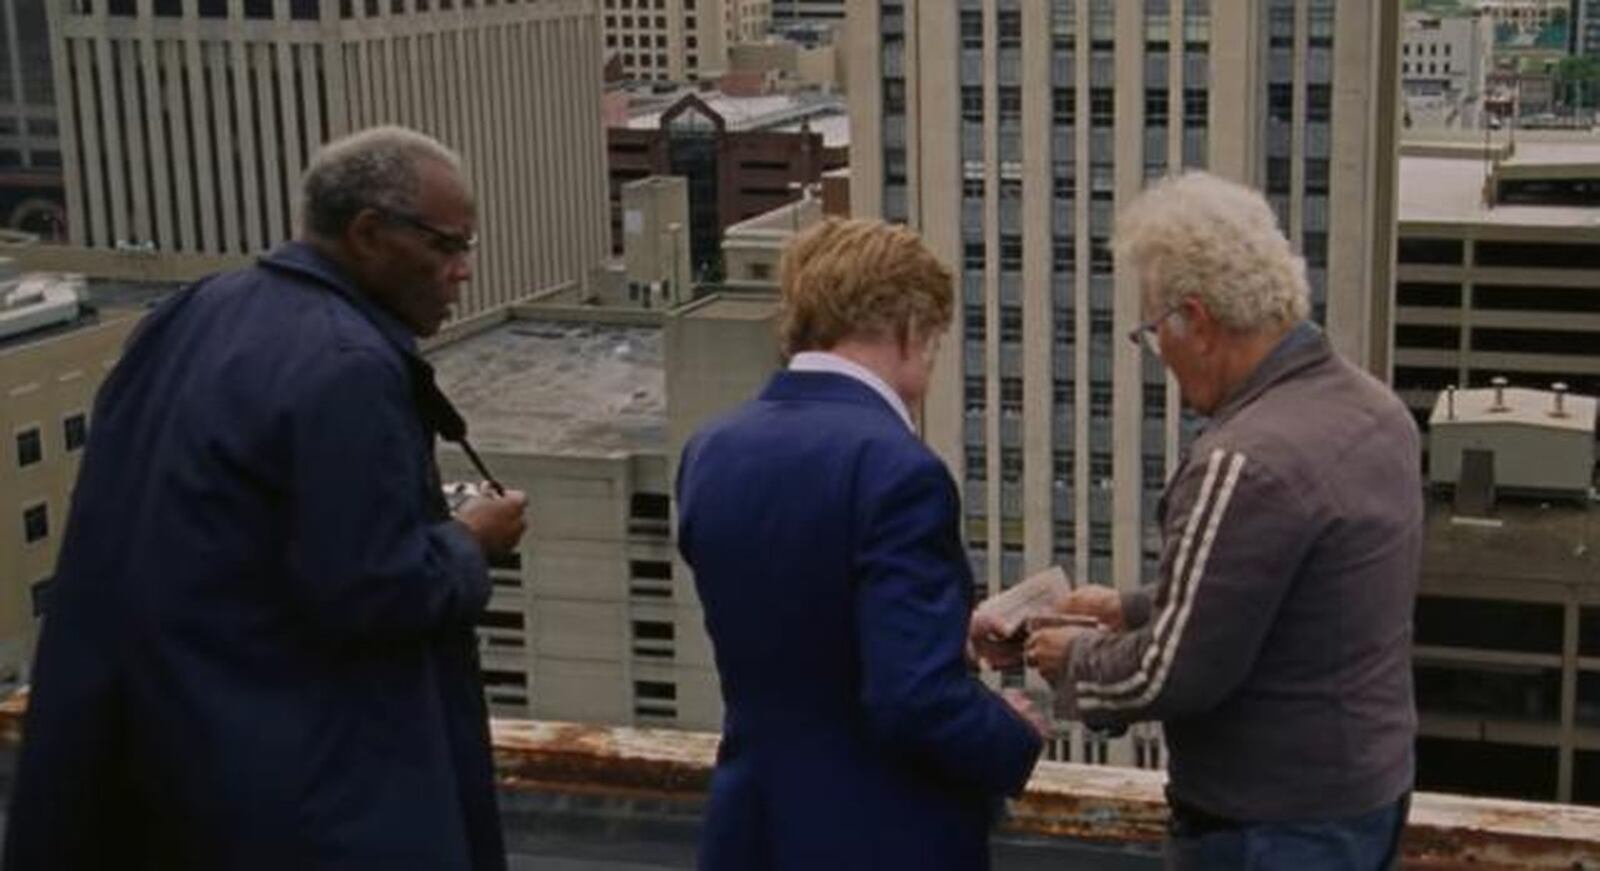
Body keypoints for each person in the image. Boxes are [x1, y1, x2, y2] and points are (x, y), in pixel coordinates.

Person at [5, 127, 527, 870]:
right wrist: (472, 540)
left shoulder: (190, 312)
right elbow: (373, 591)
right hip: (301, 797)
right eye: (447, 247)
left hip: (158, 773)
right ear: (370, 233)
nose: (462, 272)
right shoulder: (349, 366)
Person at [977, 172, 1422, 869]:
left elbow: (1174, 673)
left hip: (1268, 825)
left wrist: (1070, 659)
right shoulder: (1375, 414)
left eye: (1153, 333)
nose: (1161, 358)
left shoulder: (1244, 459)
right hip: (1365, 798)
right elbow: (1283, 598)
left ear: (1199, 321)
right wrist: (1126, 607)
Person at [677, 218, 1046, 871]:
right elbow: (913, 701)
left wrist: (945, 630)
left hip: (751, 828)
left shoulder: (712, 449)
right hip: (882, 833)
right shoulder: (898, 468)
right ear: (908, 328)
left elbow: (797, 617)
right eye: (933, 343)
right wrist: (1011, 733)